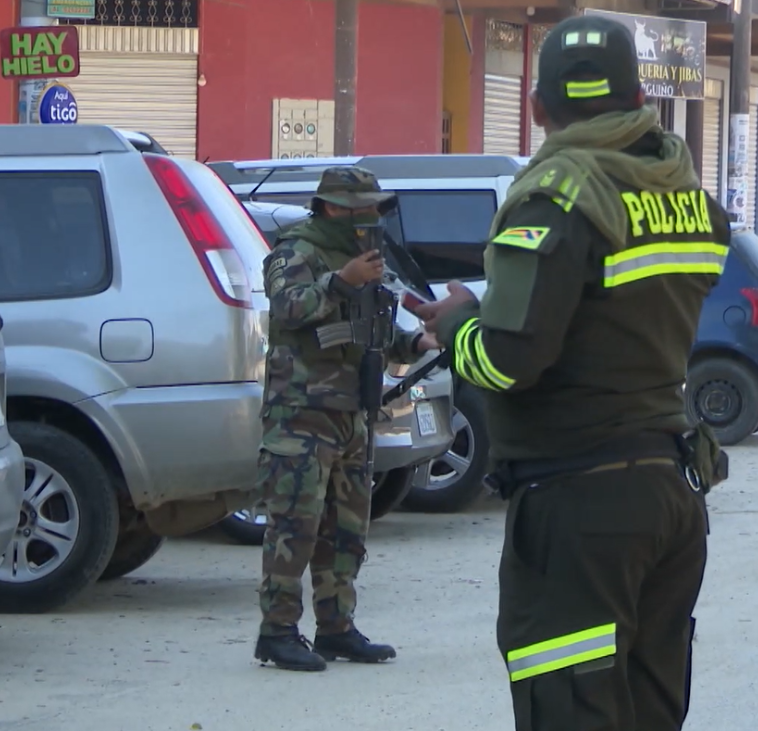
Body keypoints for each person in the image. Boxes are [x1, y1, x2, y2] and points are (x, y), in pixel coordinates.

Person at [414, 14, 731, 731]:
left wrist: (461, 321)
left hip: (580, 504)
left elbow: (507, 359)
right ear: (641, 99)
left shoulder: (557, 194)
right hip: (671, 489)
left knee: (569, 709)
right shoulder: (688, 197)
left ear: (536, 107)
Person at [254, 166, 438, 672]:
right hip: (301, 416)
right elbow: (289, 308)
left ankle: (336, 628)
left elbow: (369, 327)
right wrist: (340, 281)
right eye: (363, 208)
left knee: (346, 530)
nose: (372, 217)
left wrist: (418, 341)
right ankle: (278, 632)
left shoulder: (365, 259)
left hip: (351, 414)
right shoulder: (297, 251)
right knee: (295, 527)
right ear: (334, 207)